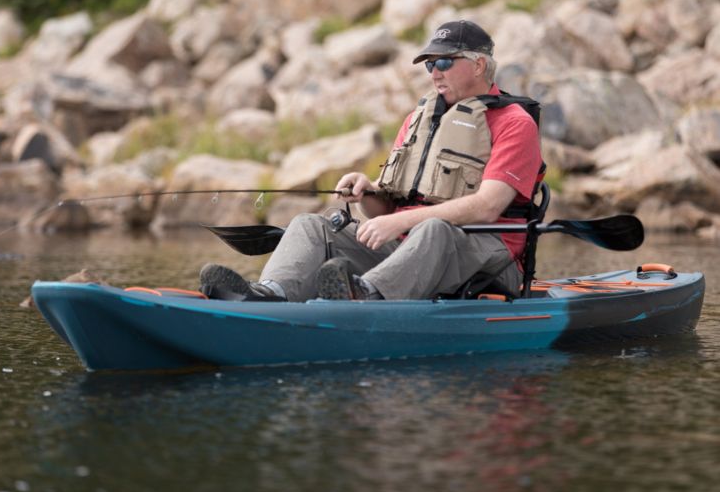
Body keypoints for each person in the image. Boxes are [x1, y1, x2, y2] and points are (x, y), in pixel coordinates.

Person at [199, 19, 543, 302]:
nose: (434, 74)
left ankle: (365, 295)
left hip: (487, 261)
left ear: (479, 65)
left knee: (434, 229)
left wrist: (399, 222)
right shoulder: (420, 119)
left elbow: (487, 206)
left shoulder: (515, 124)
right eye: (429, 65)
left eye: (443, 63)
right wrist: (368, 193)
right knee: (311, 224)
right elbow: (387, 209)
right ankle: (271, 294)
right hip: (409, 250)